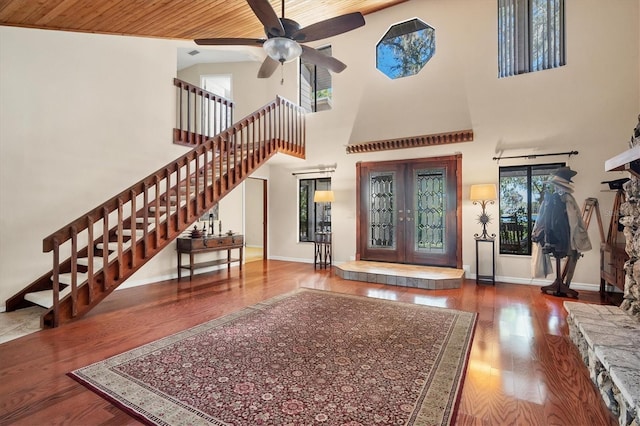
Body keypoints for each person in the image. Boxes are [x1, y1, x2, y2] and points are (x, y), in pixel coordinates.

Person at [531, 167, 591, 295]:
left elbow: (571, 221)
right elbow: (574, 221)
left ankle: (559, 282)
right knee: (560, 254)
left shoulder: (564, 199)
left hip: (558, 237)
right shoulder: (558, 199)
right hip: (558, 237)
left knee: (560, 254)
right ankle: (559, 282)